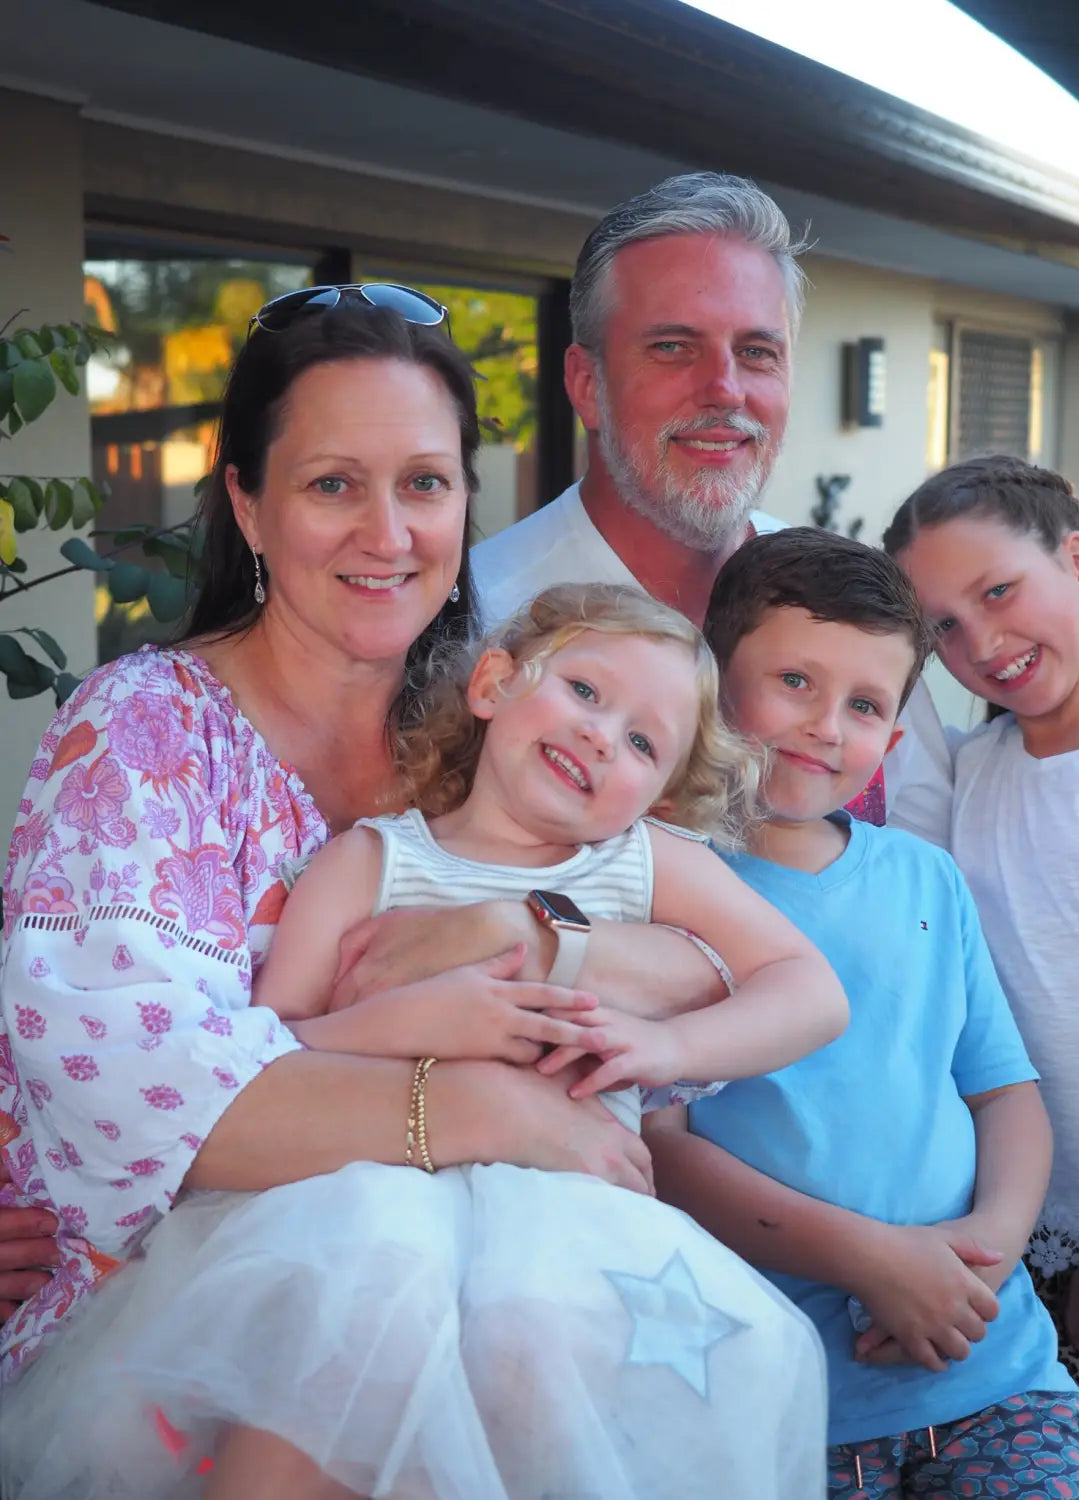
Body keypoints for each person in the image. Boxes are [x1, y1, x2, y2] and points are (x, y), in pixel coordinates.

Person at [0, 287, 760, 1499]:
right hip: (180, 1355)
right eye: (331, 485)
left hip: (502, 1314)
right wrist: (482, 1107)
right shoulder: (146, 734)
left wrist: (522, 936)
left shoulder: (510, 715)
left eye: (424, 482)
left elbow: (708, 970)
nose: (389, 531)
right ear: (247, 502)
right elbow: (132, 1086)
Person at [116, 581, 835, 1499]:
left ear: (659, 796)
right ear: (492, 683)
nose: (602, 735)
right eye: (583, 690)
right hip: (361, 1215)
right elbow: (271, 1051)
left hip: (566, 1233)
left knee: (538, 1389)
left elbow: (809, 991)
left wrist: (669, 1051)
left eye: (644, 743)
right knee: (333, 1379)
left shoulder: (642, 867)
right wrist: (409, 1023)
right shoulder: (367, 863)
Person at [646, 527, 1079, 1497]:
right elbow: (662, 1146)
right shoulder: (661, 888)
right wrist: (873, 1261)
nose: (824, 727)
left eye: (863, 704)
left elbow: (1005, 1094)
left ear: (893, 738)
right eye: (795, 682)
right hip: (784, 1405)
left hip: (994, 1374)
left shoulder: (925, 878)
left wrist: (983, 1258)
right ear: (711, 682)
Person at [471, 170, 952, 833]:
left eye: (756, 353)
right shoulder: (481, 620)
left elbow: (928, 848)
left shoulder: (850, 612)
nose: (724, 389)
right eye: (672, 348)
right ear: (586, 385)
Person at [885, 454, 1079, 1492]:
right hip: (1026, 1249)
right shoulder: (968, 773)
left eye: (998, 592)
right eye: (943, 625)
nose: (979, 645)